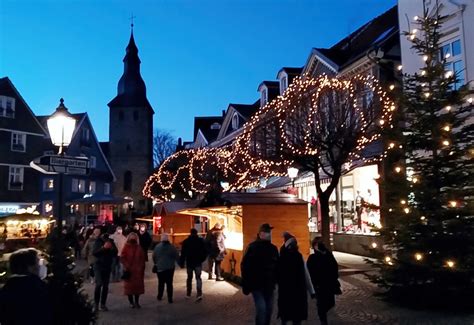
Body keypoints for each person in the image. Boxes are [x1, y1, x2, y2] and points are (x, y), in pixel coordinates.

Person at [0, 248, 51, 325]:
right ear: (29, 267)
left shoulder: (6, 289)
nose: (40, 267)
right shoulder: (39, 288)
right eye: (37, 263)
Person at [241, 223, 279, 325]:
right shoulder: (252, 247)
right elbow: (245, 266)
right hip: (256, 285)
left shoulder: (273, 248)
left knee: (269, 309)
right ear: (261, 234)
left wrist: (277, 280)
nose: (269, 234)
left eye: (269, 232)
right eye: (267, 232)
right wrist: (246, 285)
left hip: (269, 285)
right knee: (262, 309)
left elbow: (277, 266)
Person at [277, 232, 315, 325]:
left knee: (285, 316)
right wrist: (312, 291)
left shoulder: (281, 256)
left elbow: (277, 274)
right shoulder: (298, 256)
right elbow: (306, 275)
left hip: (285, 291)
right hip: (298, 291)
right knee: (296, 317)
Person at [306, 238, 340, 325]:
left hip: (329, 284)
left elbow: (334, 267)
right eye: (317, 244)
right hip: (319, 286)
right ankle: (323, 321)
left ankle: (325, 318)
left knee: (330, 303)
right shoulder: (312, 258)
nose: (319, 246)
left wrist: (326, 252)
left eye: (321, 244)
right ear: (314, 246)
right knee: (321, 305)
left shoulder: (328, 255)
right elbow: (310, 273)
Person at [179, 228, 208, 301]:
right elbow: (205, 251)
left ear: (190, 233)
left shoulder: (186, 241)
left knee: (189, 278)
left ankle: (188, 293)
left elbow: (183, 253)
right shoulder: (200, 241)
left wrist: (181, 263)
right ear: (196, 233)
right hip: (198, 262)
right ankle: (199, 294)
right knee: (198, 278)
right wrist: (202, 259)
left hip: (189, 262)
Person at [92, 233, 118, 311]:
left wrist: (111, 248)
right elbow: (95, 253)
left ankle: (103, 304)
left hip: (107, 266)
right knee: (99, 284)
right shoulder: (98, 242)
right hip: (98, 266)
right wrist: (103, 248)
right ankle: (96, 304)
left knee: (105, 286)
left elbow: (115, 252)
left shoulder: (111, 242)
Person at [121, 232, 146, 308]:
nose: (133, 239)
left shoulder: (139, 247)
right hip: (129, 271)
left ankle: (136, 302)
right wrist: (126, 266)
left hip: (137, 271)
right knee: (129, 288)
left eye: (134, 237)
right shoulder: (126, 247)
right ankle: (131, 302)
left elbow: (142, 258)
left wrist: (141, 267)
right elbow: (122, 257)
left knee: (137, 288)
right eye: (132, 237)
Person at [152, 233, 178, 303]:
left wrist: (156, 263)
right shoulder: (172, 247)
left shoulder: (157, 247)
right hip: (170, 268)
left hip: (160, 268)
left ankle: (159, 296)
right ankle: (170, 298)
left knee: (161, 283)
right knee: (169, 283)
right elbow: (176, 256)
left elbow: (154, 257)